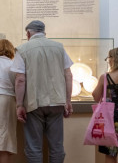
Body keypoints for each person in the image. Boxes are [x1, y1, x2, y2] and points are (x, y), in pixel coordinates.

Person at [10, 20, 73, 163]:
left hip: (34, 103)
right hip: (57, 102)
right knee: (56, 147)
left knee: (34, 147)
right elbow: (68, 75)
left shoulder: (22, 49)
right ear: (44, 33)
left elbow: (20, 79)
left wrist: (19, 105)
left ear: (28, 33)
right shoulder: (59, 47)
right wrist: (67, 101)